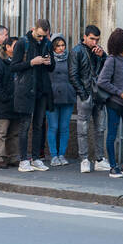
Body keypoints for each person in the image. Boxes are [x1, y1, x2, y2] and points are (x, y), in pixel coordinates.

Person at [10, 19, 53, 171]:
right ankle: (23, 160)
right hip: (26, 90)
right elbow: (13, 67)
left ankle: (36, 158)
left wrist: (49, 62)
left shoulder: (47, 43)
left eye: (44, 36)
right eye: (39, 35)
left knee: (39, 126)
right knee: (25, 126)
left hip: (41, 90)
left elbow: (51, 67)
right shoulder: (23, 43)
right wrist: (31, 63)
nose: (41, 39)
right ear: (33, 29)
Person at [96, 28, 123, 177]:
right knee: (112, 135)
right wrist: (118, 92)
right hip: (114, 104)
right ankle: (113, 166)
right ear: (118, 43)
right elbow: (102, 81)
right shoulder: (111, 60)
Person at [69, 25, 109, 173]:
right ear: (85, 37)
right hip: (85, 94)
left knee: (100, 128)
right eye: (92, 39)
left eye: (97, 39)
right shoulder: (77, 51)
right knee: (82, 129)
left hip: (98, 95)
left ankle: (99, 159)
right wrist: (83, 93)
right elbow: (73, 75)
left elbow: (107, 69)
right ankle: (84, 159)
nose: (94, 42)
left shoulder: (98, 51)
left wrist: (102, 57)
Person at [0, 36, 22, 169]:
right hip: (3, 103)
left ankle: (13, 157)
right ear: (7, 47)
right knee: (1, 132)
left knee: (14, 132)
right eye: (15, 46)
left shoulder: (18, 60)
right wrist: (5, 98)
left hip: (17, 103)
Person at [47, 35, 75, 165]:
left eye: (63, 45)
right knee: (53, 126)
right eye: (57, 45)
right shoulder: (48, 58)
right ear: (53, 46)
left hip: (67, 96)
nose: (61, 48)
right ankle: (53, 155)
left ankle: (62, 154)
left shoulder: (70, 58)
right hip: (51, 96)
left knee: (64, 127)